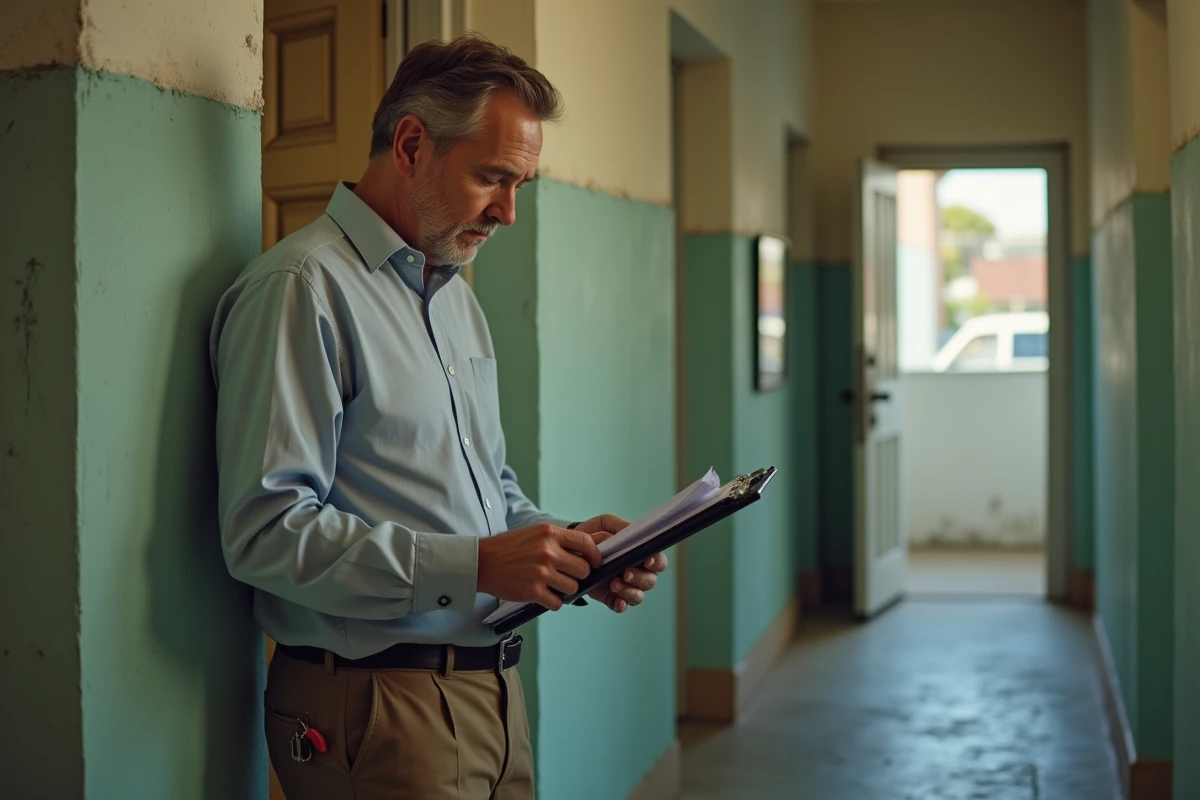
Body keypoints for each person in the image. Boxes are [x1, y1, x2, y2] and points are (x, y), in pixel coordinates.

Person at [209, 34, 668, 800]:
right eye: (493, 178)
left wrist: (565, 551)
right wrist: (479, 566)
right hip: (375, 709)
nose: (509, 213)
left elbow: (489, 484)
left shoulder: (455, 296)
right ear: (413, 144)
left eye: (521, 184)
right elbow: (264, 533)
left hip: (493, 692)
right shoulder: (300, 289)